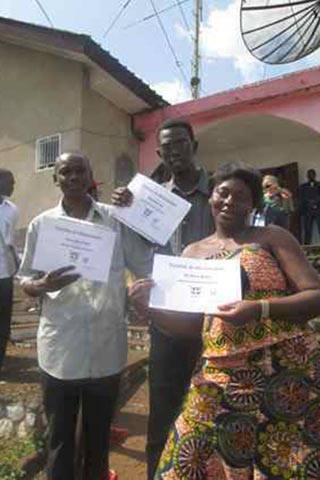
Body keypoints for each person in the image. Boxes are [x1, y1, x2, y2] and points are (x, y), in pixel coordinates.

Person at [130, 162, 320, 479]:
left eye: (241, 196)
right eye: (223, 193)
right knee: (186, 459)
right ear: (211, 198)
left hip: (285, 372)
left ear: (253, 204)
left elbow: (315, 294)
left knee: (282, 459)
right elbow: (192, 327)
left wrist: (258, 309)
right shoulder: (192, 254)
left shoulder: (272, 237)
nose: (230, 201)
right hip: (221, 375)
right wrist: (151, 310)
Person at [19, 152, 152, 480]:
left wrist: (143, 216)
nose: (74, 177)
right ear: (56, 179)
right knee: (59, 440)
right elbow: (25, 280)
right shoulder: (42, 224)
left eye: (81, 170)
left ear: (91, 175)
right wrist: (41, 284)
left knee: (98, 440)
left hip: (106, 350)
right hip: (60, 351)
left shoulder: (116, 219)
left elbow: (145, 265)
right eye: (66, 172)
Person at [112, 118, 214, 479]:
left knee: (213, 410)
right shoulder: (147, 198)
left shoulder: (219, 191)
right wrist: (124, 208)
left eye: (181, 144)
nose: (174, 152)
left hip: (214, 321)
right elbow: (133, 248)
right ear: (159, 153)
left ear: (194, 145)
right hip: (167, 322)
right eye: (167, 147)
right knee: (164, 411)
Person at [0, 169, 19, 373]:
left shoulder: (12, 210)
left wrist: (19, 269)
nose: (13, 185)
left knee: (3, 322)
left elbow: (10, 243)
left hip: (5, 275)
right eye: (10, 181)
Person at [299, 168, 320, 244]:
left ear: (315, 175)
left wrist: (315, 202)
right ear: (307, 176)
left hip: (318, 210)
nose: (311, 176)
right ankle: (307, 250)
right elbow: (301, 197)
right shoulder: (303, 186)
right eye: (309, 174)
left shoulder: (319, 184)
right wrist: (309, 202)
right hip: (307, 211)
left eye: (312, 174)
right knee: (307, 230)